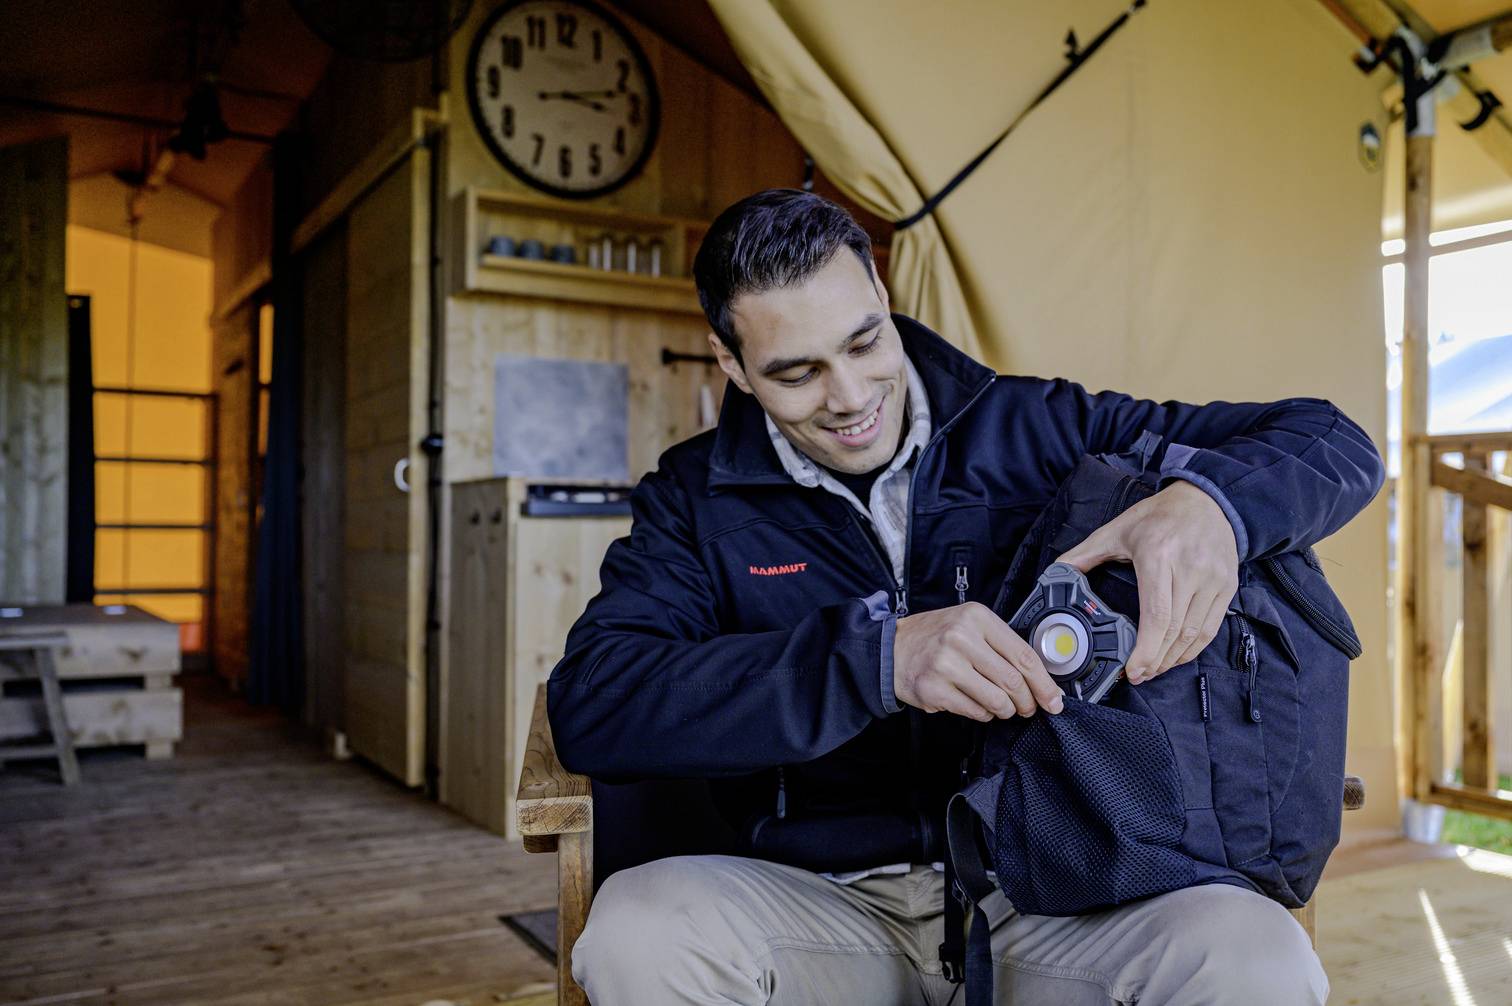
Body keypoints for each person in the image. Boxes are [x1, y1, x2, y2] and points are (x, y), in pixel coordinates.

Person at [547, 189, 1384, 1005]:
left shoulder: (1040, 428)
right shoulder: (693, 499)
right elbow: (597, 700)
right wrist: (876, 660)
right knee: (637, 934)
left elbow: (1331, 441)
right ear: (730, 362)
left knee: (1255, 957)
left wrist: (1216, 506)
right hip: (818, 906)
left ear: (881, 294)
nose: (848, 397)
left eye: (864, 342)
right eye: (796, 373)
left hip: (1058, 898)